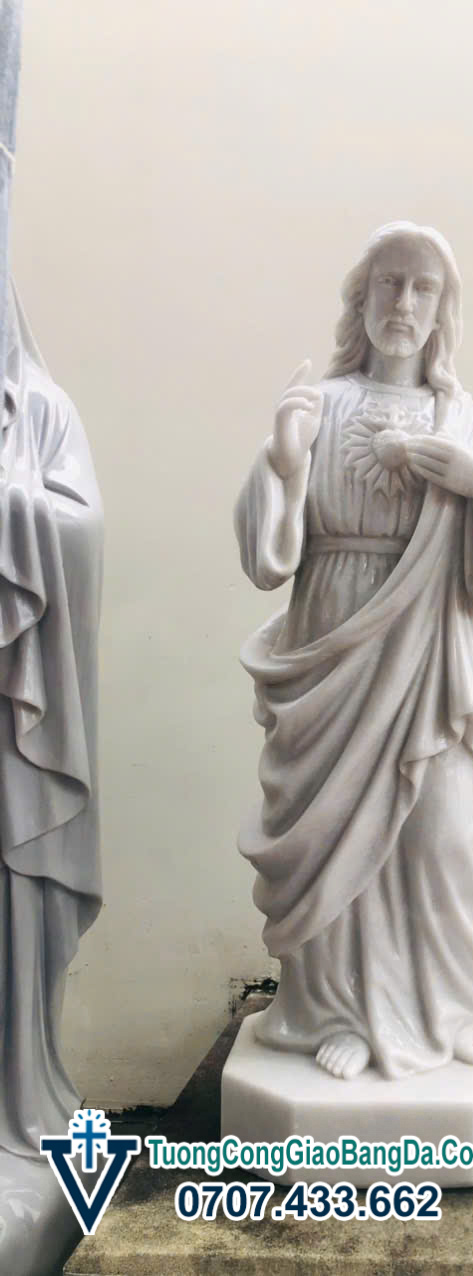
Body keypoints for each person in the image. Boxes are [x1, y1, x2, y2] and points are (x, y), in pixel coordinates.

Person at [235, 222, 473, 1082]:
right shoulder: (322, 404)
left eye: (422, 287)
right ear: (362, 298)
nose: (404, 303)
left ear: (443, 310)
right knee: (335, 831)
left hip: (432, 657)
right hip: (333, 647)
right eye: (388, 283)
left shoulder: (469, 422)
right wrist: (284, 462)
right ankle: (335, 1011)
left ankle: (447, 1007)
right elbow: (268, 561)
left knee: (441, 834)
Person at [0, 285, 102, 1157]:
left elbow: (81, 527)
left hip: (9, 720)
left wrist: (13, 509)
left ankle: (14, 1091)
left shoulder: (40, 411)